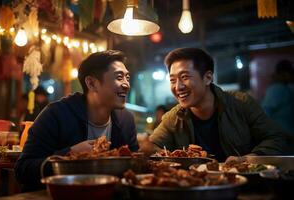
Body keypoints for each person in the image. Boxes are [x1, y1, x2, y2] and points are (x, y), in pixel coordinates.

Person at [15, 50, 139, 191]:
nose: (126, 84)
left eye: (127, 78)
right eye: (119, 77)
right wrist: (70, 154)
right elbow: (23, 170)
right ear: (91, 84)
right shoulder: (56, 115)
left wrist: (144, 157)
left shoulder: (126, 120)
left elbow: (134, 167)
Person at [148, 47, 293, 162]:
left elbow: (276, 138)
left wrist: (248, 159)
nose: (178, 87)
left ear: (208, 78)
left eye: (184, 77)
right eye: (172, 80)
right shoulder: (174, 117)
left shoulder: (241, 103)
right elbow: (152, 146)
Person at [262, 60, 294, 135]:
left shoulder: (286, 87)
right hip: (282, 136)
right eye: (290, 73)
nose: (292, 76)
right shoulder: (276, 89)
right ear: (283, 74)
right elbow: (265, 112)